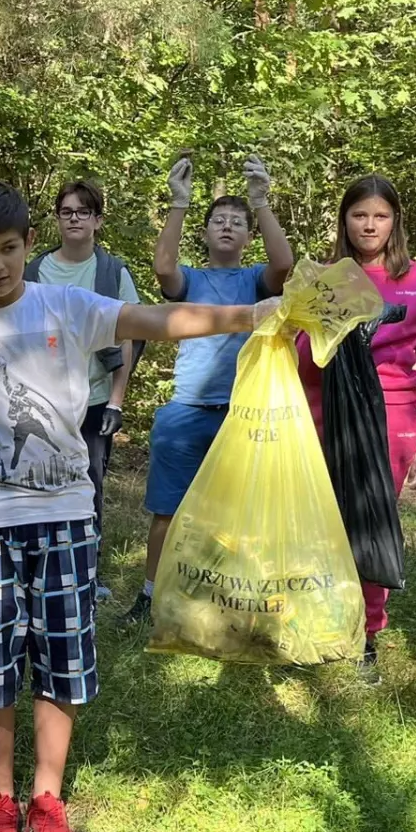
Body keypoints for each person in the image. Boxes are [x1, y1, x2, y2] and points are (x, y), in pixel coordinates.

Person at [0, 181, 280, 832]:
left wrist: (249, 315)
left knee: (62, 658)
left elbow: (159, 321)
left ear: (28, 246)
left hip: (66, 517)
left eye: (9, 249)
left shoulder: (66, 303)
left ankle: (47, 801)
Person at [125, 153, 294, 623]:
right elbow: (163, 269)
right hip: (186, 411)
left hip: (243, 415)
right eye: (218, 220)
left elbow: (285, 263)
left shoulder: (254, 279)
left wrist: (261, 200)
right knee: (167, 511)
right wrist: (179, 202)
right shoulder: (193, 279)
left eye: (236, 222)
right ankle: (150, 594)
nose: (226, 227)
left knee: (241, 514)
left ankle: (230, 596)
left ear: (247, 235)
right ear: (204, 232)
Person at [294, 173, 416, 663]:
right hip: (326, 412)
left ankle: (365, 633)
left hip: (393, 417)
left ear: (395, 221)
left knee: (370, 521)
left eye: (380, 216)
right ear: (344, 220)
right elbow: (303, 359)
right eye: (359, 214)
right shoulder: (326, 275)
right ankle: (318, 619)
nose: (369, 225)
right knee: (322, 520)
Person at [22, 179, 140, 595]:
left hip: (92, 399)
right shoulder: (34, 271)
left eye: (83, 212)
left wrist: (116, 402)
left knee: (89, 483)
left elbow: (129, 334)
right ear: (57, 219)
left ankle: (87, 572)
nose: (74, 219)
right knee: (37, 481)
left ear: (97, 221)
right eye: (67, 212)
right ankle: (38, 567)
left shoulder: (111, 271)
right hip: (41, 401)